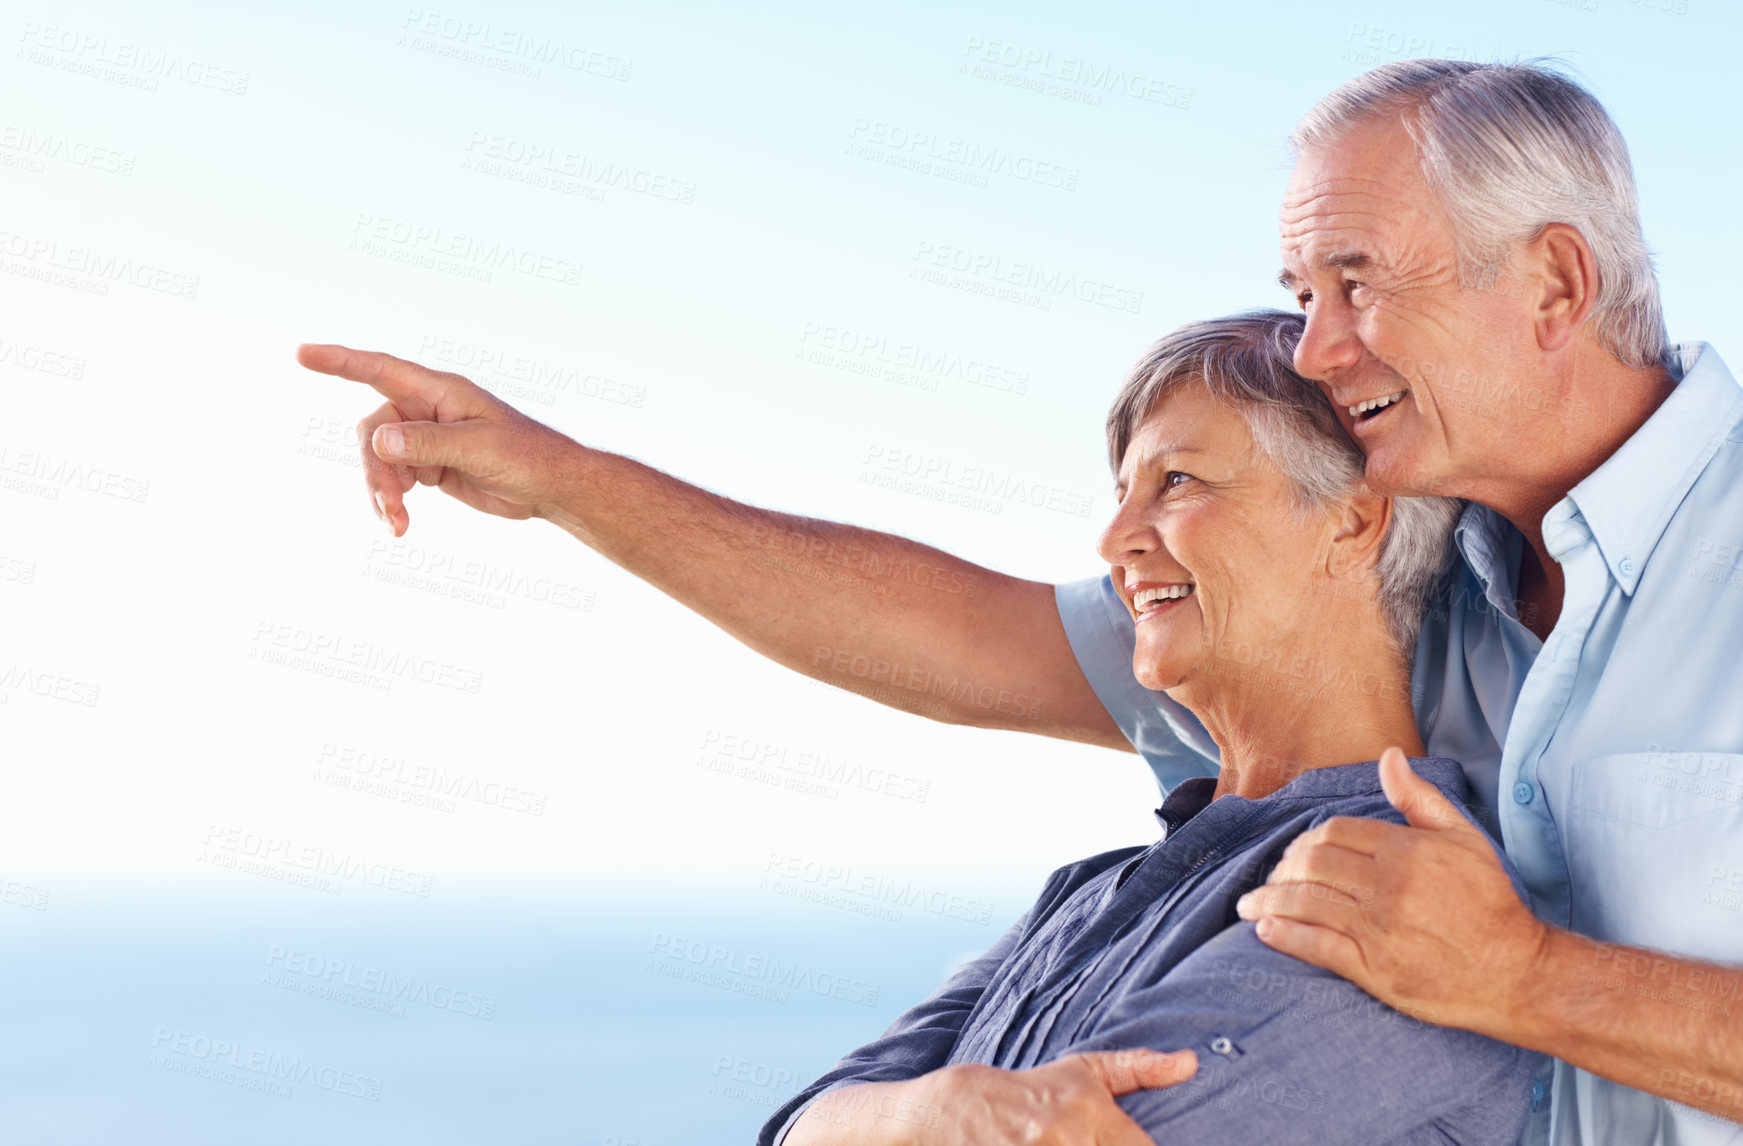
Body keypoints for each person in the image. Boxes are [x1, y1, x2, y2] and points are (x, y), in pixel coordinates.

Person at [300, 58, 1743, 1143]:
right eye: (1297, 290)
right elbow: (946, 633)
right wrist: (559, 477)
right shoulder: (1431, 577)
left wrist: (1527, 978)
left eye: (1352, 282)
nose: (1312, 347)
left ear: (1551, 280)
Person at [759, 310, 1536, 1146]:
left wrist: (902, 1119)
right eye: (1123, 493)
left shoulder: (1398, 892)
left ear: (1351, 522)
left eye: (1177, 482)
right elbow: (798, 1124)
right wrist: (931, 1111)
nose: (1113, 538)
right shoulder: (1085, 891)